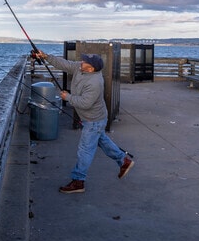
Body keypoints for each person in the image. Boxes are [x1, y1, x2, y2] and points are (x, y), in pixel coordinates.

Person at [34, 50, 134, 194]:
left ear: (91, 68)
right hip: (91, 120)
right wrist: (47, 56)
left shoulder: (95, 82)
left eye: (85, 61)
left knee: (85, 150)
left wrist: (67, 97)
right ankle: (124, 161)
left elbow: (85, 103)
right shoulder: (80, 67)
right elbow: (65, 64)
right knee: (102, 141)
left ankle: (78, 181)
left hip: (94, 120)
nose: (81, 62)